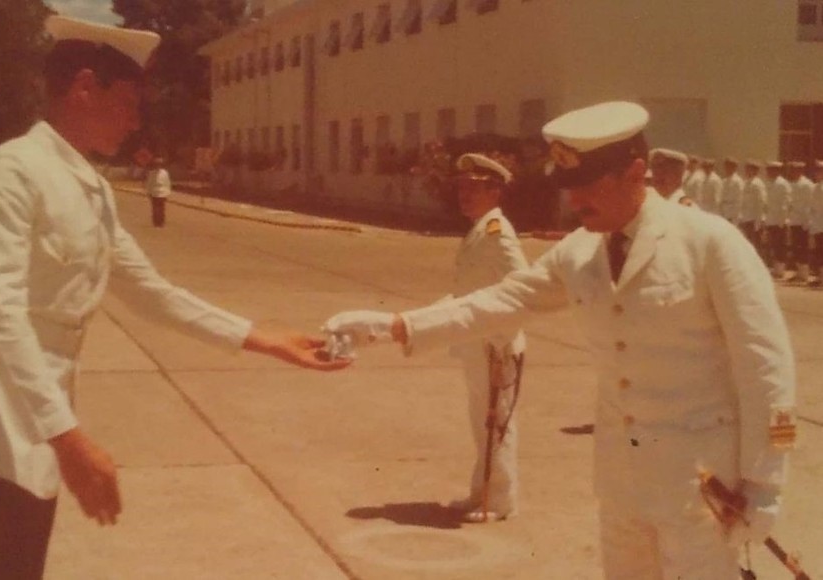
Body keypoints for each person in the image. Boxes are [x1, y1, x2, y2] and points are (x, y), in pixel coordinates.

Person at [325, 101, 796, 579]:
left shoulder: (708, 242)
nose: (574, 201)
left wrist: (765, 483)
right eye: (569, 187)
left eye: (588, 186)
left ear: (635, 172)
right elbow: (499, 301)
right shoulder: (580, 251)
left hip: (702, 484)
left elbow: (765, 364)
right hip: (621, 479)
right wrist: (392, 325)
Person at [0, 15, 348, 580]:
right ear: (84, 86)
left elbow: (154, 294)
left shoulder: (87, 187)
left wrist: (264, 338)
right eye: (129, 102)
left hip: (36, 431)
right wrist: (68, 439)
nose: (137, 122)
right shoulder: (10, 175)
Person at [442, 152, 527, 523]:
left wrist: (501, 340)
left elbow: (523, 288)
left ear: (495, 191)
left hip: (495, 346)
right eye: (462, 188)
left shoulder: (498, 233)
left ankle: (499, 500)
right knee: (482, 421)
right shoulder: (480, 229)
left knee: (497, 422)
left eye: (473, 189)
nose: (465, 195)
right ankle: (481, 493)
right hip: (477, 343)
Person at [785, 161, 813, 283]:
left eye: (796, 170)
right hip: (794, 220)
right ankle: (799, 272)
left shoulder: (807, 184)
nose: (793, 172)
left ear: (801, 171)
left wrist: (807, 221)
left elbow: (810, 204)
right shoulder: (792, 184)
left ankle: (804, 274)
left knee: (802, 247)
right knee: (796, 247)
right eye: (792, 170)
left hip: (803, 221)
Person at [764, 160, 792, 278]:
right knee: (773, 245)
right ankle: (776, 268)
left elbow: (786, 203)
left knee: (780, 245)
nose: (769, 172)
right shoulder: (769, 183)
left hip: (779, 220)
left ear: (777, 171)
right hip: (771, 219)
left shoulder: (783, 184)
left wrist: (782, 220)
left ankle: (780, 270)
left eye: (771, 170)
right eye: (768, 170)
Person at [740, 159, 767, 258]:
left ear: (755, 171)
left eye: (749, 169)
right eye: (746, 169)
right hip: (746, 218)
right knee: (747, 244)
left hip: (754, 219)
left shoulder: (758, 184)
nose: (747, 171)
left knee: (755, 245)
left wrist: (758, 222)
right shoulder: (746, 183)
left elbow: (761, 204)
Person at [808, 159, 823, 288]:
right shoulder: (816, 187)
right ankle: (820, 277)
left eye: (820, 171)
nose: (818, 173)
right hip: (818, 225)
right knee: (819, 252)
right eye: (817, 171)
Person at [145, 156, 171, 227]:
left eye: (159, 164)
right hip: (154, 192)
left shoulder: (165, 173)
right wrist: (148, 192)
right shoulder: (151, 173)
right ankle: (156, 222)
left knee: (162, 209)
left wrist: (168, 193)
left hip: (163, 193)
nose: (158, 166)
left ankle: (161, 222)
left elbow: (167, 183)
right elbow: (149, 183)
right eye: (156, 164)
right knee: (155, 209)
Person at [719, 157, 744, 225]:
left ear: (735, 168)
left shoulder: (738, 181)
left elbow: (739, 200)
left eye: (730, 166)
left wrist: (735, 217)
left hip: (732, 213)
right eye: (726, 166)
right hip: (723, 212)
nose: (727, 168)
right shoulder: (724, 181)